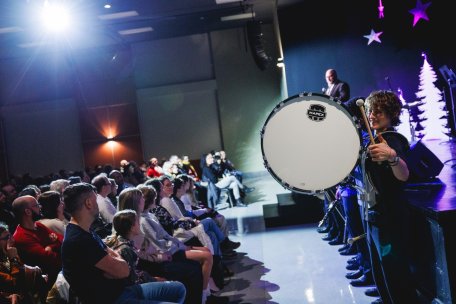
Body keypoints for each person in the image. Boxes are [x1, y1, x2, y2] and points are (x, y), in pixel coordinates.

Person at [61, 182, 188, 304]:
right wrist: (115, 260)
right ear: (88, 203)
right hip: (112, 300)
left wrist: (112, 262)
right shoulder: (78, 240)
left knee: (178, 288)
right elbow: (123, 271)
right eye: (95, 200)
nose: (98, 204)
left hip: (122, 291)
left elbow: (113, 258)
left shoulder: (86, 231)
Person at [363, 90, 418, 304]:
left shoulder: (392, 140)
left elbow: (404, 175)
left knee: (396, 274)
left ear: (392, 113)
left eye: (378, 111)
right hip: (374, 215)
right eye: (370, 111)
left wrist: (393, 158)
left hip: (390, 217)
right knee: (381, 269)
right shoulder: (371, 139)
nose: (372, 115)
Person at [104, 210, 186, 303]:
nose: (139, 225)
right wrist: (153, 279)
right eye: (137, 223)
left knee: (176, 286)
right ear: (132, 228)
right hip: (127, 290)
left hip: (131, 283)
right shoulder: (125, 249)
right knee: (172, 284)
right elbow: (132, 278)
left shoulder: (122, 241)